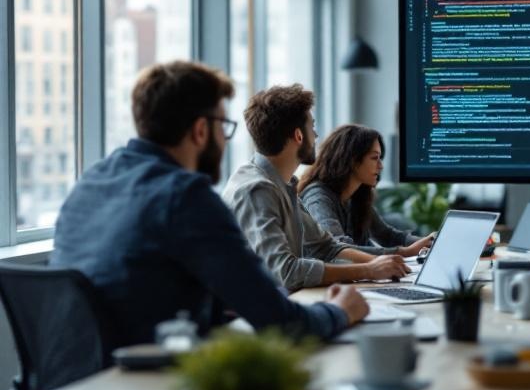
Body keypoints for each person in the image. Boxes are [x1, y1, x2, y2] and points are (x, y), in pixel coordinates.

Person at [50, 61, 368, 348]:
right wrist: (340, 312)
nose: (224, 138)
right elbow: (284, 325)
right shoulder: (184, 196)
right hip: (146, 385)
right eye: (222, 126)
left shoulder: (91, 183)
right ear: (201, 130)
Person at [222, 85, 409, 292]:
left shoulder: (282, 183)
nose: (316, 134)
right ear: (298, 136)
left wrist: (388, 266)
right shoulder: (256, 190)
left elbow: (327, 247)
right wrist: (368, 270)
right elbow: (287, 272)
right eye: (312, 127)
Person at [298, 125, 434, 257]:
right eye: (375, 158)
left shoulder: (356, 196)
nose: (380, 166)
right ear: (352, 160)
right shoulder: (318, 198)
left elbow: (388, 236)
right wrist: (405, 252)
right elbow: (338, 249)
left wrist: (430, 242)